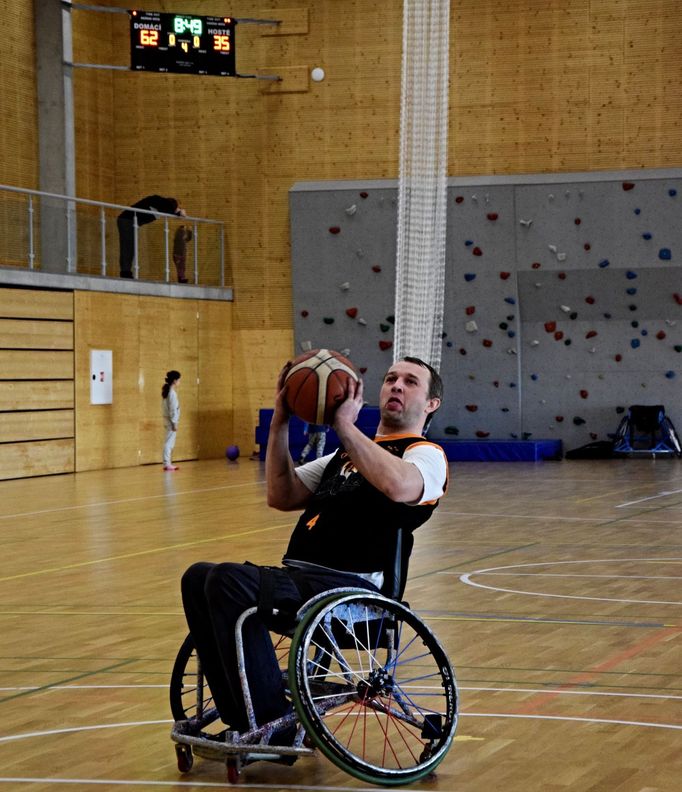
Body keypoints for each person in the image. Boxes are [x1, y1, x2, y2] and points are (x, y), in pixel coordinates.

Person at [181, 356, 447, 739]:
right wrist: (281, 418)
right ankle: (245, 715)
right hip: (304, 582)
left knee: (227, 580)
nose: (396, 386)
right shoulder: (343, 457)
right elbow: (281, 492)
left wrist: (344, 425)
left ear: (431, 403)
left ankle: (272, 724)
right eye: (390, 378)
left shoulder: (426, 454)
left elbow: (399, 486)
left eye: (410, 382)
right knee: (198, 577)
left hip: (352, 593)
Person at [117, 195, 186, 279]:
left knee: (130, 247)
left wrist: (177, 212)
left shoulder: (160, 206)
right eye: (176, 207)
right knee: (128, 247)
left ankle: (126, 272)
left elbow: (167, 211)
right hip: (126, 220)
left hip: (129, 221)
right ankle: (125, 273)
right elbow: (168, 209)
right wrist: (178, 212)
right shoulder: (158, 201)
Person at [162, 370, 181, 471]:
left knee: (169, 442)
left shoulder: (168, 392)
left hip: (168, 420)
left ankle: (167, 462)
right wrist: (174, 423)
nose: (179, 382)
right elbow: (173, 410)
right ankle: (167, 463)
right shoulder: (172, 393)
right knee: (169, 443)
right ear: (174, 381)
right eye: (179, 380)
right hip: (171, 421)